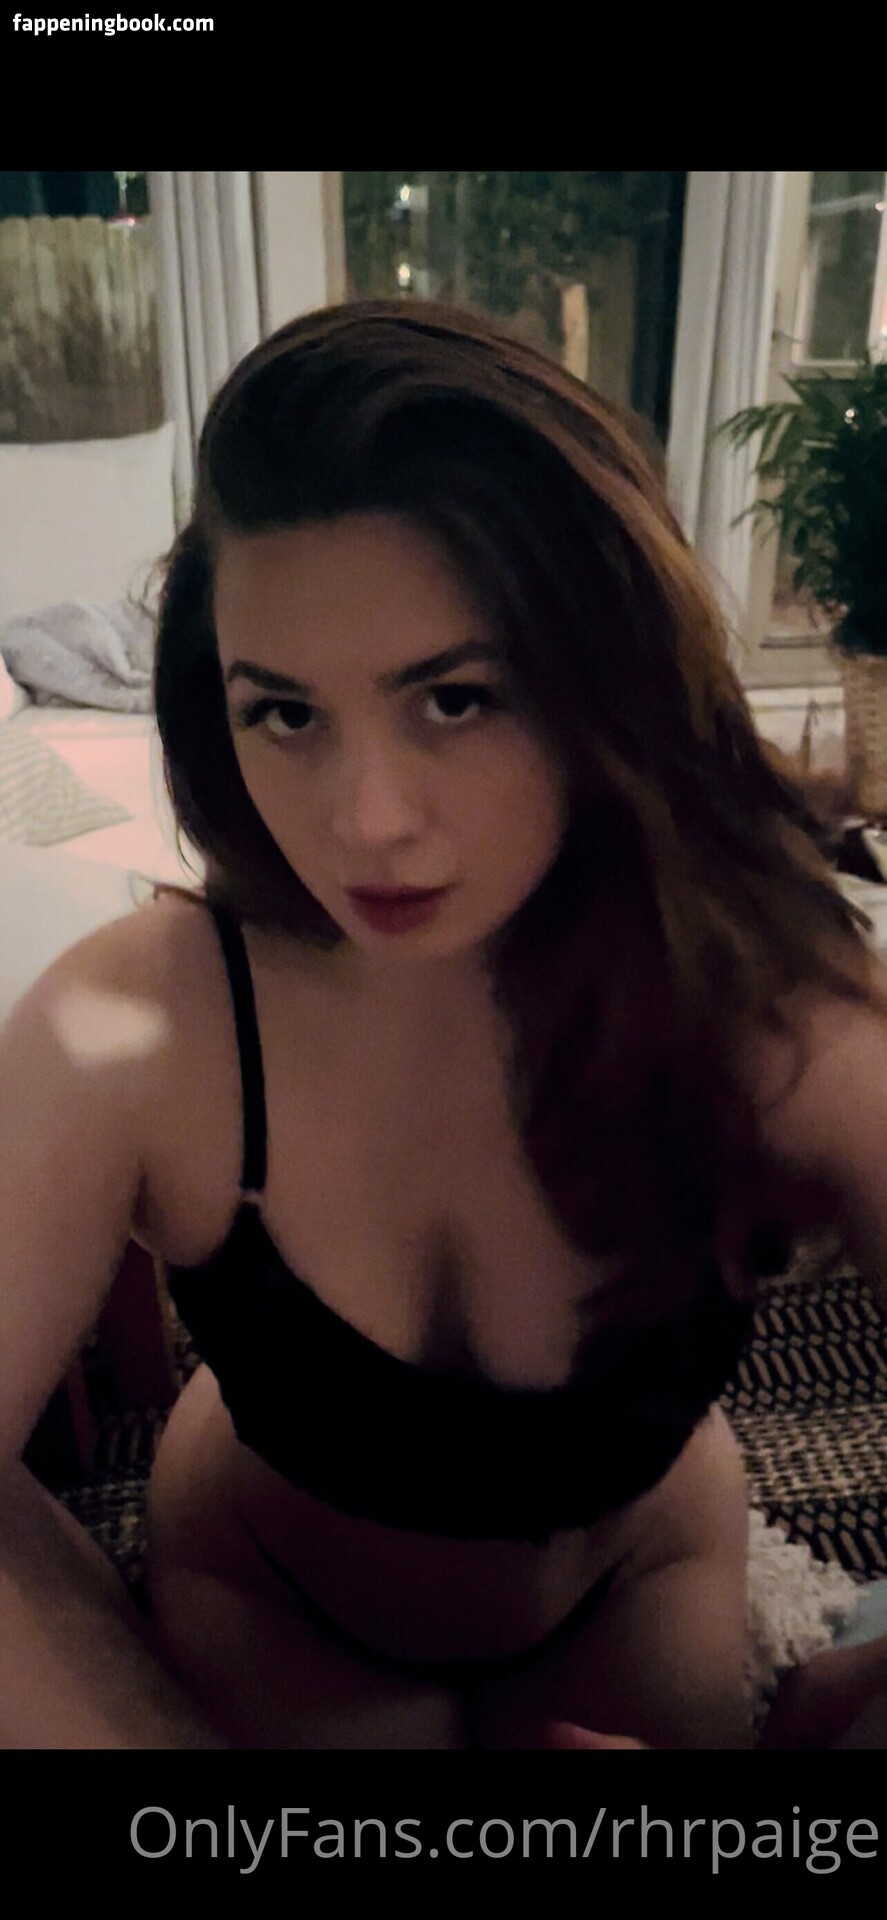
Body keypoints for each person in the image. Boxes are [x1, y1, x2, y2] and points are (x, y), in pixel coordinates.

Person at [2, 297, 887, 1751]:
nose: (366, 822)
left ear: (609, 678)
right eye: (286, 714)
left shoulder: (775, 1010)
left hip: (637, 1573)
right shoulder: (140, 1023)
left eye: (457, 699)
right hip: (278, 1592)